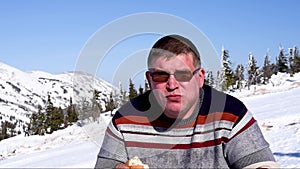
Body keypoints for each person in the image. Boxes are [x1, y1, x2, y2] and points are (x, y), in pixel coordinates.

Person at [94, 34, 279, 168]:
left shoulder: (229, 114)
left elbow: (262, 164)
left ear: (199, 78)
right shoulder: (125, 121)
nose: (172, 84)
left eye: (183, 74)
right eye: (160, 75)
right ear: (149, 79)